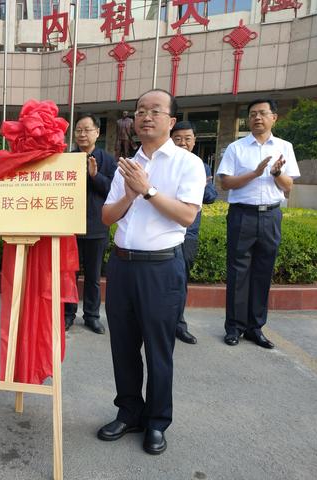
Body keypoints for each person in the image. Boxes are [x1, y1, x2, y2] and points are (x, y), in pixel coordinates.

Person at [99, 89, 205, 455]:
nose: (146, 116)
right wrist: (129, 194)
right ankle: (129, 412)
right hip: (123, 265)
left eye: (155, 111)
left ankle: (157, 422)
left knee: (159, 350)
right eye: (141, 110)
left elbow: (188, 215)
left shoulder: (187, 163)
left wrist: (147, 190)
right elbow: (107, 217)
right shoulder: (126, 163)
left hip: (161, 268)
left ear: (171, 121)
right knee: (123, 346)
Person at [216, 99, 299, 349]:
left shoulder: (285, 147)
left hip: (271, 216)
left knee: (263, 272)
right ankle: (234, 327)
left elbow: (288, 187)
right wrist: (254, 172)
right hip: (243, 214)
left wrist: (275, 173)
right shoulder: (236, 148)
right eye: (252, 114)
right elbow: (225, 183)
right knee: (238, 272)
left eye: (262, 113)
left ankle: (255, 328)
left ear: (274, 117)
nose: (257, 118)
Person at [64, 113, 117, 334]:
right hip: (70, 228)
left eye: (87, 129)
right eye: (78, 130)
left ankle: (92, 316)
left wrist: (95, 176)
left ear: (97, 132)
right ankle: (67, 314)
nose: (82, 134)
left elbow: (113, 191)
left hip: (96, 227)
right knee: (69, 275)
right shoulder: (67, 158)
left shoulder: (107, 159)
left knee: (93, 277)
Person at [171, 121, 218, 344]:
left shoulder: (201, 166)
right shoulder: (165, 163)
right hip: (165, 231)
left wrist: (196, 187)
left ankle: (178, 324)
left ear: (194, 140)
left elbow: (210, 196)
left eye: (187, 138)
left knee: (181, 280)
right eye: (178, 138)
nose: (183, 143)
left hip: (189, 233)